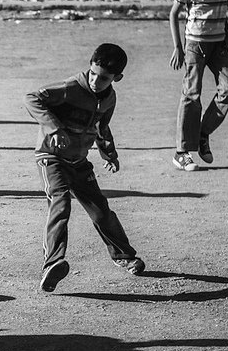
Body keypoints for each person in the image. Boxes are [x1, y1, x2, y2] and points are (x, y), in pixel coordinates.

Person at [25, 43, 145, 293]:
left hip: (79, 161)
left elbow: (102, 127)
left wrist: (109, 153)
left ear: (117, 78)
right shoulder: (70, 88)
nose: (95, 80)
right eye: (93, 73)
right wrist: (53, 129)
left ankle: (123, 255)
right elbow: (32, 98)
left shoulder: (109, 98)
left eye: (103, 78)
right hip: (51, 157)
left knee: (101, 210)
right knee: (61, 204)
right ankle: (53, 263)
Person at [169, 0, 228, 171]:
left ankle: (202, 134)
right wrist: (178, 46)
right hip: (195, 45)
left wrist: (227, 34)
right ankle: (181, 152)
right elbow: (173, 13)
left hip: (218, 45)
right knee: (192, 94)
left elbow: (221, 12)